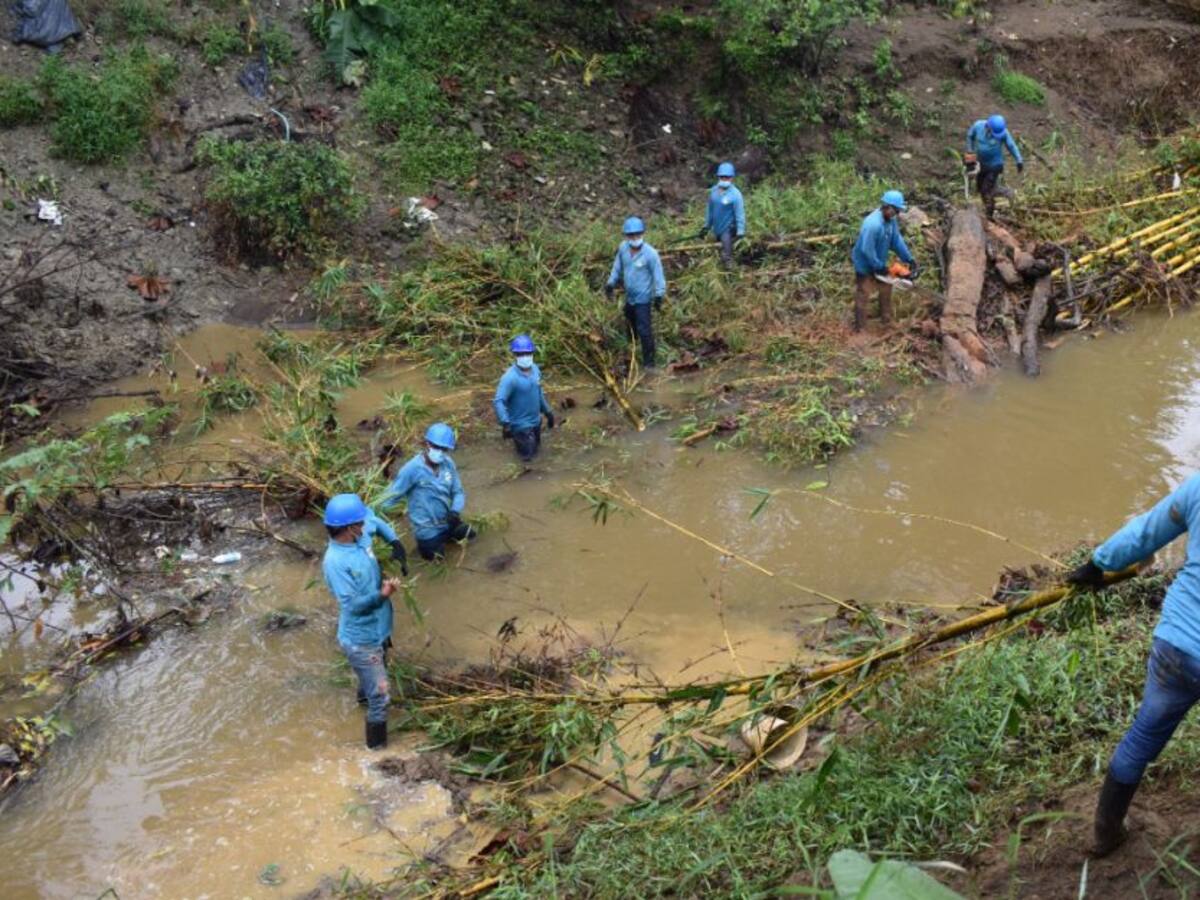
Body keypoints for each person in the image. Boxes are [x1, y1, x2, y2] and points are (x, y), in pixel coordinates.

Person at [1067, 473, 1200, 856]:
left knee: (1142, 736)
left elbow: (1146, 533)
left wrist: (1096, 564)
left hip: (1176, 643)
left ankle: (1105, 833)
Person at [321, 493, 404, 750]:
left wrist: (395, 542)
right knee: (380, 694)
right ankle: (376, 753)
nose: (364, 525)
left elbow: (377, 523)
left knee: (372, 683)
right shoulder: (335, 562)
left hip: (380, 627)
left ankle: (362, 704)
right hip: (361, 638)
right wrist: (383, 594)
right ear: (348, 528)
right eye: (360, 522)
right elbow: (352, 605)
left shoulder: (360, 535)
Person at [383, 422, 474, 560]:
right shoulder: (411, 469)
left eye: (444, 449)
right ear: (427, 444)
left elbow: (458, 492)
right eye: (436, 447)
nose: (440, 452)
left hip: (448, 521)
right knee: (437, 561)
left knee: (471, 536)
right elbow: (388, 499)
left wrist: (455, 511)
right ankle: (422, 549)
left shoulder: (448, 464)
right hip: (427, 530)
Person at [850, 190, 918, 332]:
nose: (897, 214)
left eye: (898, 211)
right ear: (887, 207)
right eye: (896, 211)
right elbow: (866, 249)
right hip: (865, 263)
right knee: (864, 292)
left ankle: (886, 320)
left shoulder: (891, 221)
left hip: (879, 260)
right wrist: (878, 266)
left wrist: (909, 258)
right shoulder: (872, 224)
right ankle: (860, 328)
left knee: (886, 289)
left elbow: (896, 241)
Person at [605, 216, 666, 369]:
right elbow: (617, 267)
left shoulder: (650, 254)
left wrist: (659, 295)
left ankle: (649, 364)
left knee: (644, 330)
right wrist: (610, 283)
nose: (635, 238)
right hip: (629, 298)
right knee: (630, 328)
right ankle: (630, 356)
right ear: (626, 236)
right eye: (631, 235)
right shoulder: (623, 249)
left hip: (643, 299)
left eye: (638, 235)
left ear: (643, 234)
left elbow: (658, 275)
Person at [494, 334, 555, 462]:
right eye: (520, 354)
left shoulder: (536, 370)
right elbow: (499, 401)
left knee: (537, 451)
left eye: (527, 353)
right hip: (520, 426)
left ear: (532, 353)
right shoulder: (510, 378)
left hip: (536, 422)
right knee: (528, 458)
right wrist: (506, 423)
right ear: (515, 355)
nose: (524, 357)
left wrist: (548, 412)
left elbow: (539, 393)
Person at [965, 114, 1024, 219]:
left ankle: (989, 213)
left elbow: (1011, 145)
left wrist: (1019, 160)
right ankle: (1006, 193)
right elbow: (970, 136)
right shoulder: (978, 126)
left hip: (995, 165)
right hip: (981, 164)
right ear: (988, 127)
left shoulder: (1003, 132)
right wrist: (970, 152)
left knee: (986, 189)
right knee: (980, 188)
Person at [697, 161, 746, 268]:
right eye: (722, 177)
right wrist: (706, 227)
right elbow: (710, 210)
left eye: (727, 177)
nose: (724, 179)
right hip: (717, 228)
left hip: (728, 228)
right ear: (718, 177)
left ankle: (732, 271)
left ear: (732, 178)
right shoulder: (714, 192)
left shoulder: (735, 194)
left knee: (726, 256)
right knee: (719, 252)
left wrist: (741, 230)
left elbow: (740, 213)